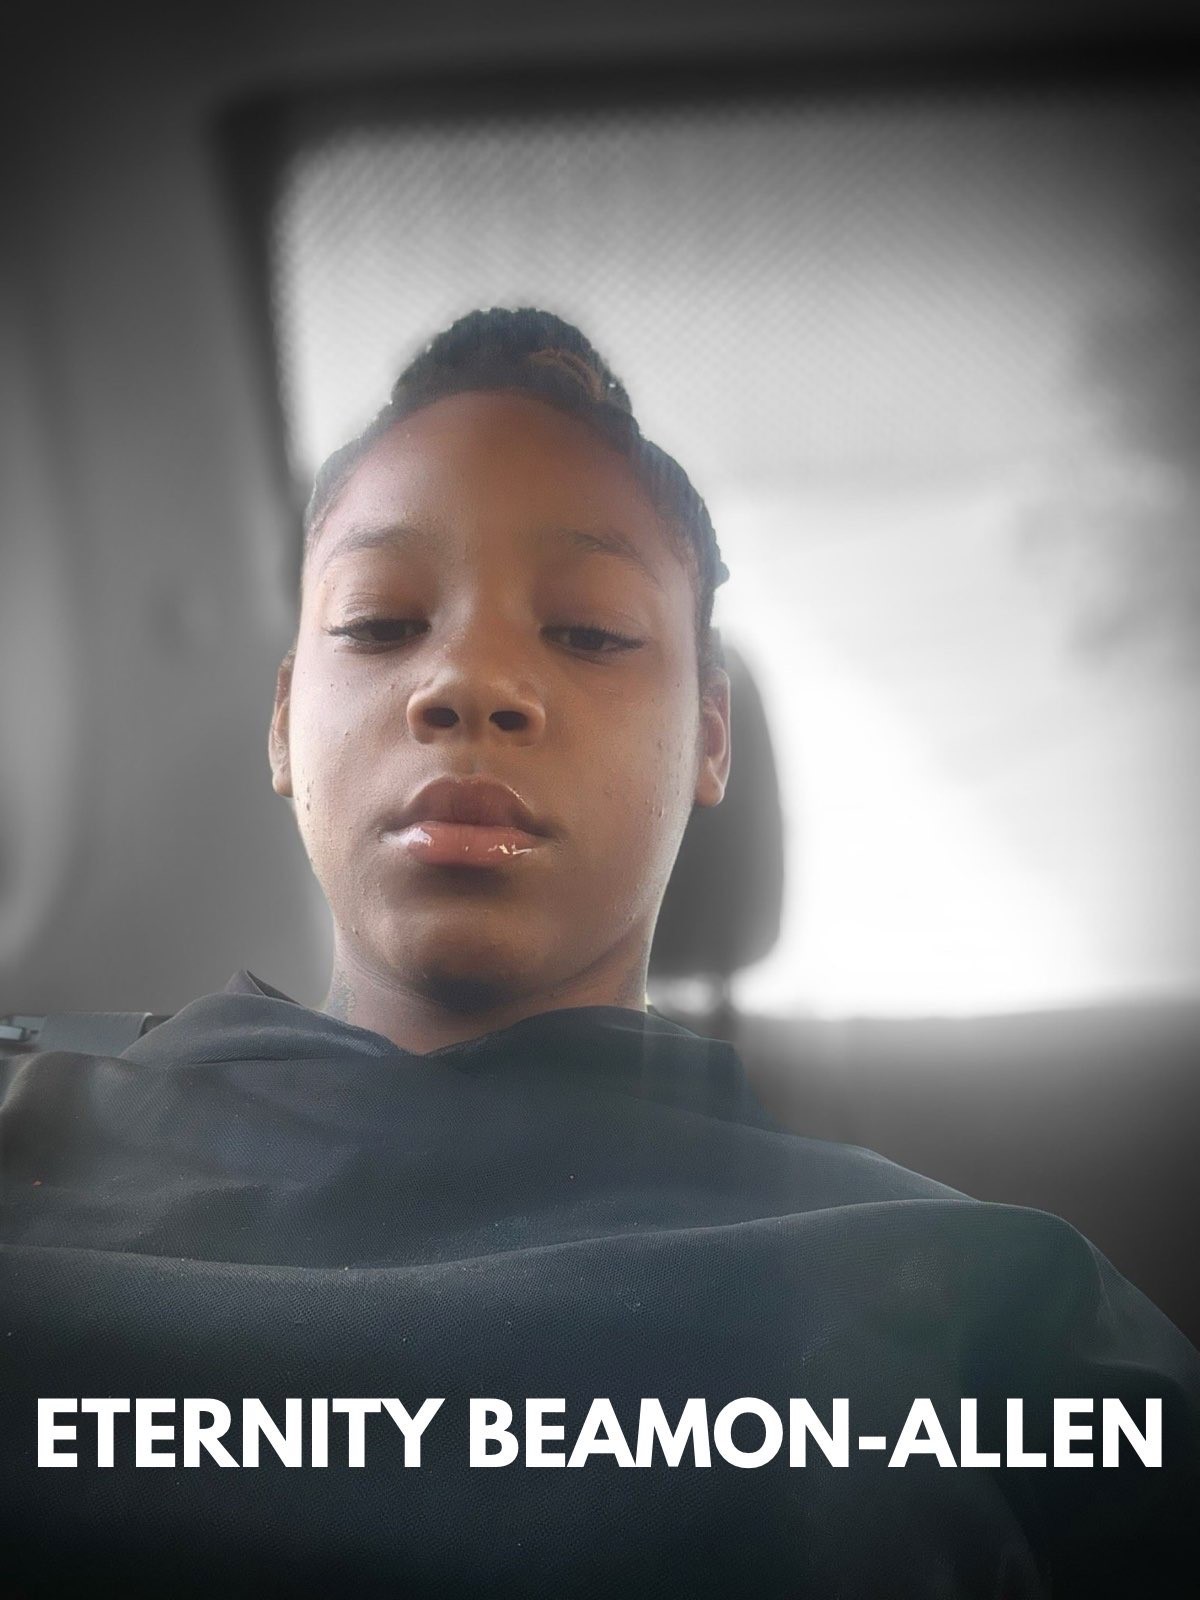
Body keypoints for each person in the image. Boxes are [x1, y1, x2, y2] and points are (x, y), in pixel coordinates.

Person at [1, 307, 1197, 1598]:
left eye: (588, 633)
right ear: (287, 720)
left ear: (710, 736)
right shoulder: (27, 1125)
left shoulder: (999, 1301)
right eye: (381, 622)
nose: (469, 683)